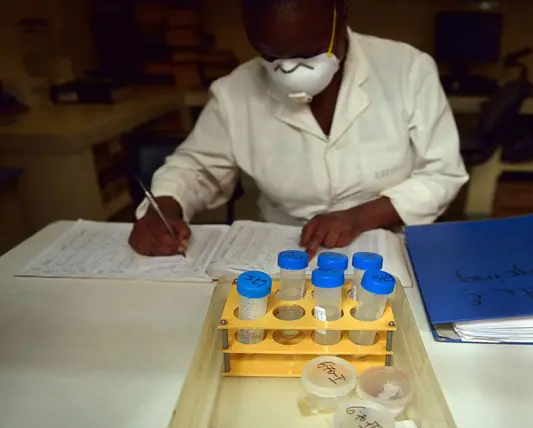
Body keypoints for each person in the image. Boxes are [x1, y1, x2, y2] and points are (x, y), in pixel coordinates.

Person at [128, 0, 468, 257]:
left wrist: (359, 217)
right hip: (285, 251)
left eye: (309, 54)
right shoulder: (235, 91)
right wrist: (166, 208)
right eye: (271, 57)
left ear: (341, 18)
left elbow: (442, 175)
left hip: (389, 246)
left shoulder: (407, 69)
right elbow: (196, 167)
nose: (290, 71)